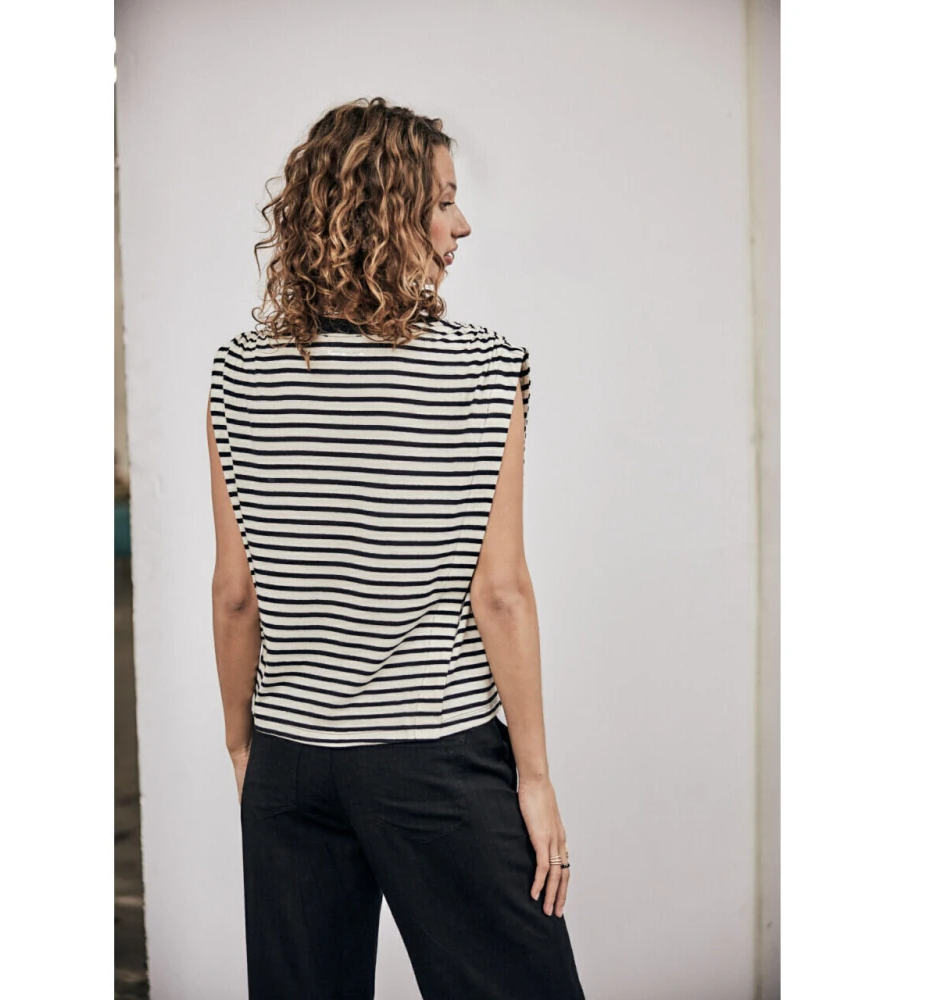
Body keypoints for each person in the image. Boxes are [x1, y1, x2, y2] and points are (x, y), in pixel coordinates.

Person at [206, 97, 585, 1000]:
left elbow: (235, 594)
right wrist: (534, 779)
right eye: (443, 201)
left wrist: (244, 748)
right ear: (384, 215)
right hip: (435, 758)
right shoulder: (483, 367)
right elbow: (501, 593)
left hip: (292, 760)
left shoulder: (238, 371)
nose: (463, 224)